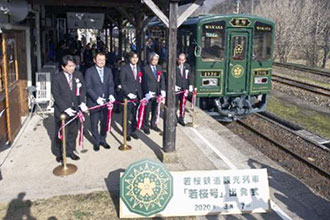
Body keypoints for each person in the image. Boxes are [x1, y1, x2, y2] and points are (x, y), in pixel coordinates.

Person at [51, 55, 87, 162]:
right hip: (62, 111)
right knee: (61, 133)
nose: (72, 68)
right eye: (69, 66)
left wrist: (82, 102)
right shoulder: (57, 78)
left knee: (73, 132)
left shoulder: (78, 75)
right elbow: (56, 94)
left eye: (73, 66)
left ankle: (70, 151)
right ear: (63, 67)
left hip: (75, 108)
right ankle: (59, 153)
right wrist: (65, 108)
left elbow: (83, 89)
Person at [85, 52, 115, 151]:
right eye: (99, 60)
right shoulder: (89, 71)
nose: (102, 62)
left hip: (105, 101)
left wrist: (111, 94)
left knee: (104, 121)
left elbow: (111, 84)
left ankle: (103, 139)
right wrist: (96, 98)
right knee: (94, 122)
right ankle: (96, 141)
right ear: (94, 60)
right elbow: (88, 87)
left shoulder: (108, 71)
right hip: (94, 102)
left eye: (103, 60)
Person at [120, 52, 143, 141]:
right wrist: (128, 93)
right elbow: (123, 82)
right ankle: (126, 132)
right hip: (128, 96)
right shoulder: (124, 68)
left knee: (135, 114)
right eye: (133, 58)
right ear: (130, 59)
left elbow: (140, 81)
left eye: (136, 58)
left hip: (137, 95)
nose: (135, 59)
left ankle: (133, 130)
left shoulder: (139, 68)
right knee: (126, 115)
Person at [142, 52, 166, 134]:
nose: (155, 61)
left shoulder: (159, 67)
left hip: (157, 92)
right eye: (154, 59)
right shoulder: (145, 68)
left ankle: (153, 124)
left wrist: (163, 90)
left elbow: (162, 79)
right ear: (150, 59)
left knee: (155, 110)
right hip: (149, 93)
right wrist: (146, 93)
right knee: (147, 110)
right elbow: (144, 82)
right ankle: (145, 126)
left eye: (156, 60)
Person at [175, 53, 193, 126]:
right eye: (180, 59)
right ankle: (174, 117)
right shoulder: (175, 66)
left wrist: (191, 85)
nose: (181, 61)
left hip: (184, 87)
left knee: (183, 103)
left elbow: (189, 76)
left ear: (185, 60)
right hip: (177, 88)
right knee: (175, 103)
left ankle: (181, 117)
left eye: (182, 60)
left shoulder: (187, 66)